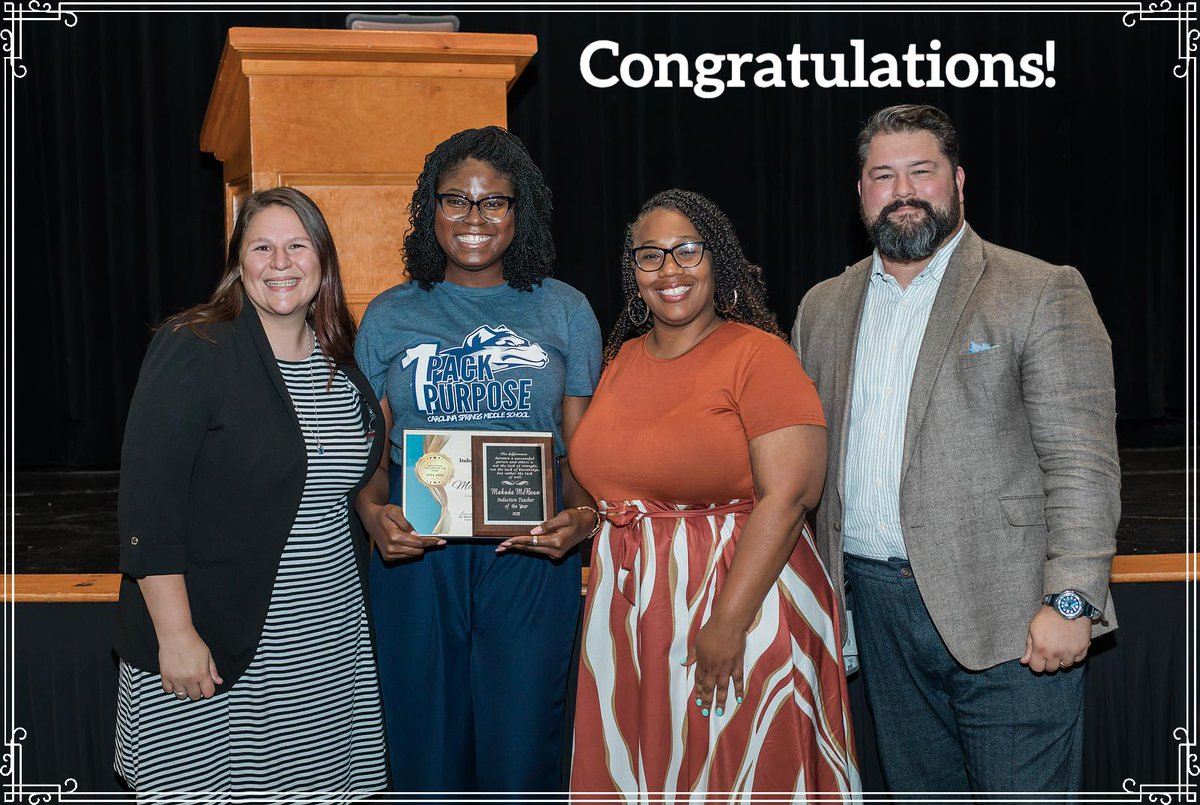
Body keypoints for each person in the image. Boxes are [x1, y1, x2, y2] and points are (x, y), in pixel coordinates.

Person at [791, 104, 1121, 792]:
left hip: (1011, 619)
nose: (903, 189)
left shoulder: (1038, 290)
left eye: (922, 171)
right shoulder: (822, 306)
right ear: (860, 192)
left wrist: (1072, 600)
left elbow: (1082, 463)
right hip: (876, 618)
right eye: (883, 175)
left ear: (959, 181)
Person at [567, 189, 860, 796]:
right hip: (635, 613)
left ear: (717, 260)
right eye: (650, 256)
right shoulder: (619, 358)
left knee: (738, 775)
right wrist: (579, 521)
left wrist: (727, 622)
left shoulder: (759, 356)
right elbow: (617, 479)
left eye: (687, 251)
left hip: (741, 600)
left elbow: (790, 497)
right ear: (633, 271)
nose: (669, 270)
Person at [112, 187, 389, 799]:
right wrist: (176, 635)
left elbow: (347, 488)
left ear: (323, 262)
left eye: (297, 246)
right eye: (262, 247)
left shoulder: (340, 365)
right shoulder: (197, 345)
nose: (281, 262)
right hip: (218, 645)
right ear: (239, 263)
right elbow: (149, 504)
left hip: (325, 644)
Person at [353, 126, 603, 792]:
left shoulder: (565, 311)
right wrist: (374, 515)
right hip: (418, 552)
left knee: (522, 751)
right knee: (424, 752)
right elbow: (370, 459)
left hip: (527, 552)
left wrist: (583, 516)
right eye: (455, 200)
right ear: (429, 210)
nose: (474, 217)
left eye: (494, 201)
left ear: (520, 213)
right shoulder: (389, 315)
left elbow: (580, 450)